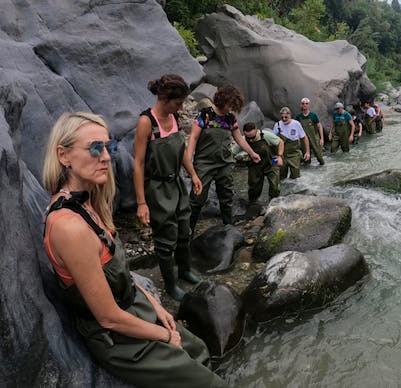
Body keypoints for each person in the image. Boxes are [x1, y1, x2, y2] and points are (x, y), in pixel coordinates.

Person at [42, 112, 228, 388]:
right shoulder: (69, 227)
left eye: (109, 146)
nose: (106, 156)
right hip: (118, 337)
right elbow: (108, 317)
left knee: (199, 349)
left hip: (133, 307)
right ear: (64, 155)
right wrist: (164, 336)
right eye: (95, 147)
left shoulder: (91, 201)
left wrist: (157, 307)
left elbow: (124, 277)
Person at [133, 74, 198, 300]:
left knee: (184, 229)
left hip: (177, 183)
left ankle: (186, 271)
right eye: (178, 102)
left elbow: (181, 153)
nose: (180, 107)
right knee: (165, 237)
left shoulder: (174, 117)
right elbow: (139, 164)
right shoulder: (146, 122)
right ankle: (170, 287)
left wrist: (193, 174)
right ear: (165, 98)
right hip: (158, 188)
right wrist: (141, 203)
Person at [184, 84, 261, 233]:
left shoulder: (230, 119)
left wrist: (252, 153)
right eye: (230, 105)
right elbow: (193, 138)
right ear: (222, 100)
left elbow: (239, 139)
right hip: (204, 164)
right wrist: (189, 162)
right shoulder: (205, 115)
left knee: (226, 198)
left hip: (225, 164)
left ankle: (228, 229)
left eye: (234, 106)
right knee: (197, 199)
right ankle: (188, 232)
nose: (231, 109)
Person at [242, 123, 283, 201]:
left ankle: (273, 202)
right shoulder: (243, 139)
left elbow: (280, 142)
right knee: (253, 187)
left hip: (271, 162)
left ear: (257, 131)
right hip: (255, 165)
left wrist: (279, 156)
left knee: (275, 185)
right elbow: (233, 151)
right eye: (248, 137)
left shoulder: (266, 135)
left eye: (252, 137)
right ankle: (253, 203)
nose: (250, 140)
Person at [273, 107, 309, 179]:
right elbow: (272, 140)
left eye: (286, 117)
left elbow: (304, 137)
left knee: (296, 177)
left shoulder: (296, 124)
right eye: (282, 117)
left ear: (290, 115)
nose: (284, 119)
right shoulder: (277, 125)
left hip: (294, 154)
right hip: (282, 154)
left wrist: (307, 152)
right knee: (281, 177)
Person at [295, 97, 325, 165]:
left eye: (306, 103)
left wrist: (322, 139)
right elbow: (296, 129)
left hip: (314, 138)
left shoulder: (313, 115)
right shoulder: (298, 117)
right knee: (306, 159)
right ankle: (309, 172)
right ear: (301, 105)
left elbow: (319, 126)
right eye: (303, 103)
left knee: (320, 157)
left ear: (309, 105)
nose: (305, 105)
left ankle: (323, 169)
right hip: (303, 140)